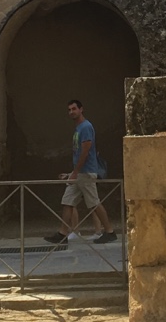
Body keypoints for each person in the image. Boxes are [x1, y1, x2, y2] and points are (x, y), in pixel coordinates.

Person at [44, 98, 118, 245]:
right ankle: (62, 233)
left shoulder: (86, 127)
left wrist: (75, 172)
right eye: (69, 110)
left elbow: (85, 151)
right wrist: (72, 173)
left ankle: (110, 231)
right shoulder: (79, 128)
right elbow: (79, 154)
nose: (71, 112)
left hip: (86, 172)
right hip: (79, 173)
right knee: (68, 201)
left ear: (81, 109)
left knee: (94, 203)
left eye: (74, 109)